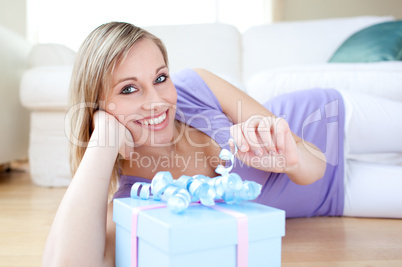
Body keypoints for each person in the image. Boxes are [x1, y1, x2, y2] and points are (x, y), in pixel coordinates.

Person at [43, 21, 402, 266]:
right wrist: (103, 139)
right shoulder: (134, 202)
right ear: (99, 107)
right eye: (129, 89)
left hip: (331, 116)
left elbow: (313, 160)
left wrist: (289, 157)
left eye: (160, 77)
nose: (158, 100)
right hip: (334, 197)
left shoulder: (195, 86)